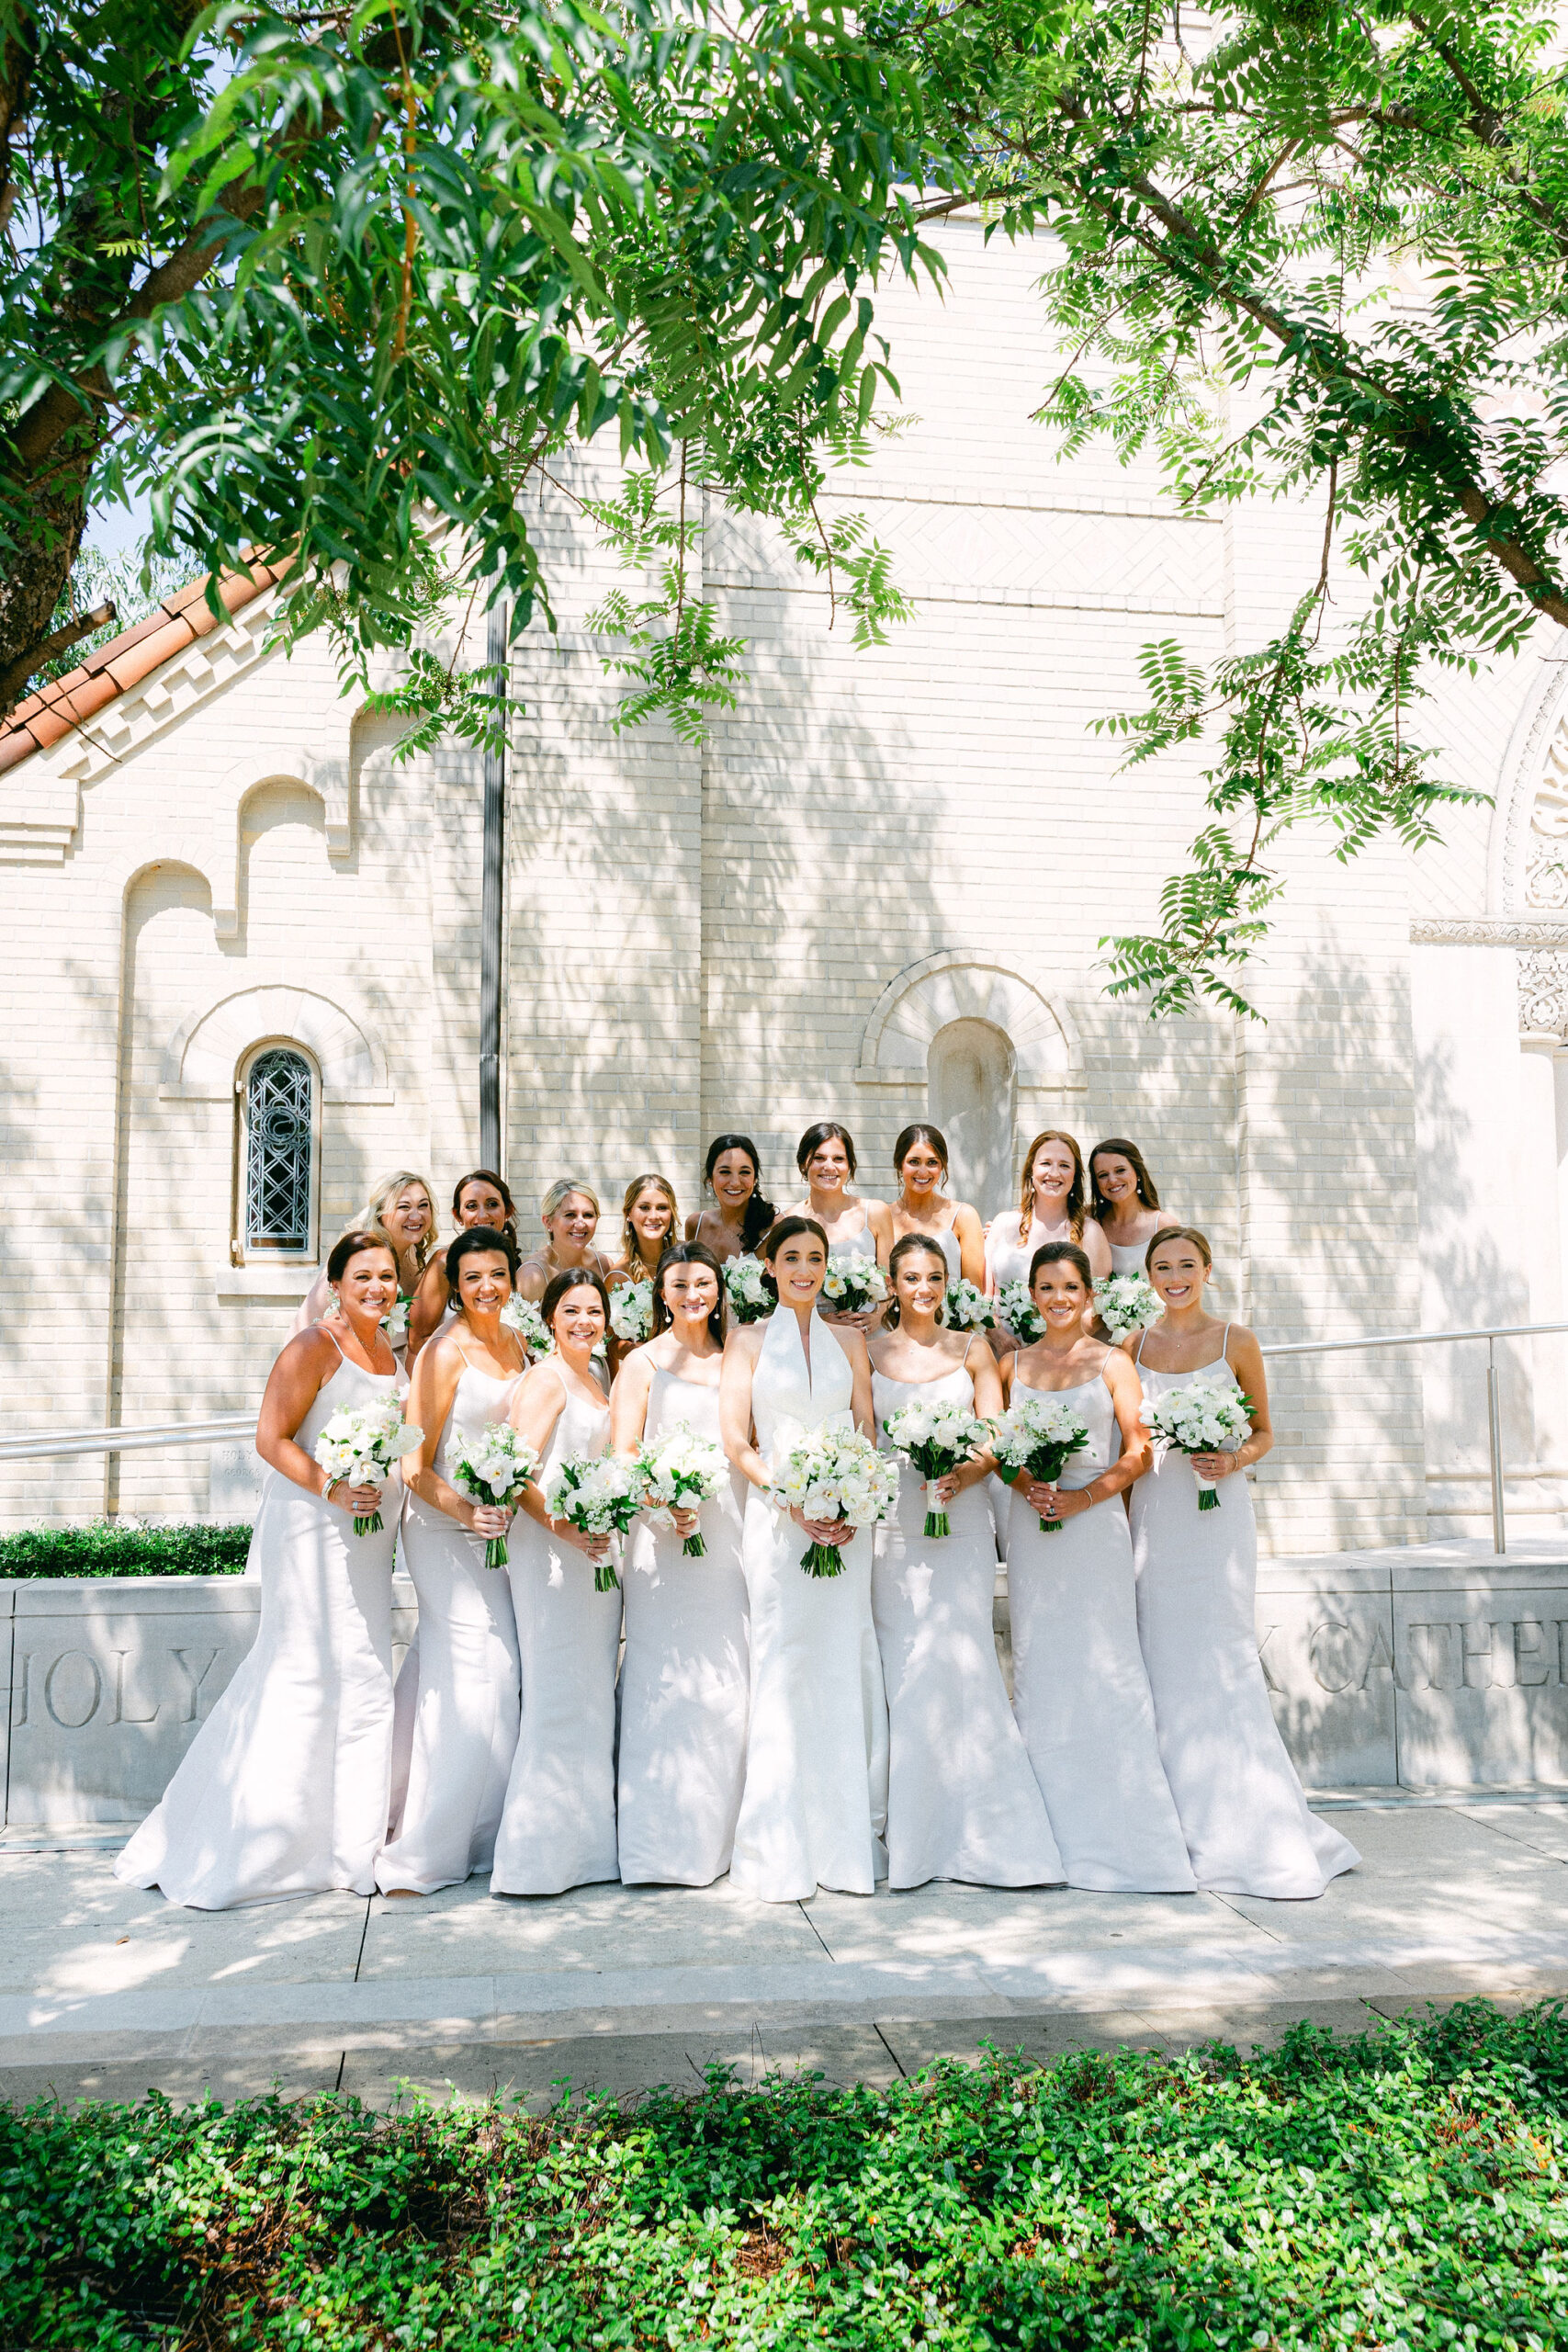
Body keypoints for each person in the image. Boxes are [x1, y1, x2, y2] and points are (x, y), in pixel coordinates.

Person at [116, 1232, 409, 1908]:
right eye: (362, 1275)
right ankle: (252, 1846)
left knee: (362, 1675)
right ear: (334, 1284)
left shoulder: (390, 1354)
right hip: (312, 1531)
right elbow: (269, 1438)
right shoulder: (314, 1345)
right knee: (302, 1673)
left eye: (387, 1276)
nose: (376, 1287)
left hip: (367, 1539)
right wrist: (334, 1487)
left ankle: (346, 1848)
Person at [1128, 1227, 1360, 1897]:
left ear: (1206, 1270)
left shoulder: (1237, 1342)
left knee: (1219, 1656)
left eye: (1185, 1265)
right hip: (1155, 1514)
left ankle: (1251, 1824)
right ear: (1148, 1276)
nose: (1174, 1277)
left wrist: (1230, 1458)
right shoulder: (1133, 1345)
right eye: (1162, 1267)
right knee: (1161, 1657)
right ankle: (1174, 1821)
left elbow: (1264, 1432)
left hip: (1216, 1519)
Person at [999, 1243, 1195, 1894]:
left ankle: (1123, 1827)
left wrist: (1083, 1496)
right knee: (1041, 1660)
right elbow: (995, 1448)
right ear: (1030, 1295)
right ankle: (1045, 1829)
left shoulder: (1113, 1361)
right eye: (1046, 1287)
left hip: (1094, 1525)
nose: (1058, 1297)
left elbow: (1139, 1450)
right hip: (1032, 1525)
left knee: (1103, 1661)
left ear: (1087, 1295)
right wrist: (1027, 1483)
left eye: (1069, 1287)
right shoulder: (1010, 1364)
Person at [868, 1235, 1062, 1890]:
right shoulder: (867, 1352)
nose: (922, 1288)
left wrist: (964, 1468)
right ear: (891, 1283)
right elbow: (863, 1440)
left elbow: (996, 1435)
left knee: (963, 1657)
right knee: (907, 1668)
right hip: (895, 1529)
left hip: (964, 1521)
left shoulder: (972, 1347)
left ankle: (986, 1832)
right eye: (911, 1277)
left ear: (947, 1282)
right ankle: (915, 1836)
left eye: (933, 1277)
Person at [720, 1216, 888, 1899]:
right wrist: (791, 1499)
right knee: (785, 1663)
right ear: (769, 1267)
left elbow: (866, 1428)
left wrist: (852, 1501)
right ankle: (777, 1843)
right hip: (777, 1520)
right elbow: (737, 1440)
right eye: (790, 1257)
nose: (803, 1268)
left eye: (815, 1258)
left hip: (846, 1527)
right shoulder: (745, 1339)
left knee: (840, 1662)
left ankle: (843, 1843)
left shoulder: (850, 1338)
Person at [377, 1227, 527, 1897]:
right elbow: (413, 1465)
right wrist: (469, 1512)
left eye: (497, 1273)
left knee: (456, 1669)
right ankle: (428, 1849)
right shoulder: (441, 1353)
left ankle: (470, 1828)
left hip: (500, 1529)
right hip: (443, 1527)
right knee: (483, 1670)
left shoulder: (519, 1340)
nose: (487, 1287)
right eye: (473, 1278)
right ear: (456, 1287)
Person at [610, 1242, 749, 1885]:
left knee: (726, 1678)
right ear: (659, 1293)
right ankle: (658, 1844)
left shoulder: (737, 1358)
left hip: (727, 1538)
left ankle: (722, 1840)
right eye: (678, 1284)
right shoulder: (640, 1363)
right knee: (663, 1677)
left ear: (718, 1289)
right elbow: (624, 1453)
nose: (692, 1294)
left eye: (703, 1283)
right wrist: (663, 1502)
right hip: (661, 1537)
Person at [491, 1268, 621, 1895]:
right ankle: (536, 1857)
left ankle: (587, 1850)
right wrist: (566, 1529)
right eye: (571, 1310)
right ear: (548, 1318)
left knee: (588, 1691)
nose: (583, 1321)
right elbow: (513, 1474)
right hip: (551, 1553)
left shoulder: (595, 1375)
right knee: (557, 1691)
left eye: (593, 1311)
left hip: (591, 1549)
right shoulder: (545, 1378)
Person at [985, 1131, 1111, 1342]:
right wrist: (999, 1338)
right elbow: (984, 1297)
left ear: (1075, 1175)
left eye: (1064, 1165)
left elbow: (1096, 1309)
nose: (1054, 1173)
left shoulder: (1090, 1232)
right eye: (1045, 1163)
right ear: (1031, 1171)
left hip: (1062, 1354)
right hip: (1001, 1347)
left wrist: (1049, 1348)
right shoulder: (1002, 1224)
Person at [293, 1170, 436, 1342]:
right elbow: (302, 1329)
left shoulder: (413, 1253)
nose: (416, 1216)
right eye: (404, 1207)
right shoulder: (356, 1257)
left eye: (423, 1205)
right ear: (381, 1213)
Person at [788, 1122, 893, 1331]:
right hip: (813, 1333)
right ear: (803, 1164)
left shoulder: (875, 1212)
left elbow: (890, 1282)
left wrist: (876, 1317)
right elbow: (784, 1293)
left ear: (850, 1166)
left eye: (838, 1159)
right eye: (819, 1158)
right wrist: (824, 1321)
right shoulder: (788, 1221)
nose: (829, 1166)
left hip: (869, 1333)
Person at [406, 1170, 518, 1363]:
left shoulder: (513, 1262)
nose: (482, 1214)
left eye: (492, 1204)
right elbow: (417, 1342)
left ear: (507, 1211)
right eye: (472, 1206)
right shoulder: (445, 1262)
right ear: (458, 1215)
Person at [884, 1124, 986, 1288]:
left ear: (942, 1166)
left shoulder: (963, 1216)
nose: (923, 1172)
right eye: (914, 1162)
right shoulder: (882, 1216)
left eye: (932, 1162)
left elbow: (974, 1291)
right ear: (899, 1163)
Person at [514, 1178, 613, 1306]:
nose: (580, 1224)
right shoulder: (532, 1275)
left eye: (588, 1215)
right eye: (570, 1215)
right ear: (548, 1222)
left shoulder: (604, 1265)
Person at [686, 1134, 777, 1265]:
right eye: (725, 1172)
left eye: (744, 1172)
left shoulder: (775, 1228)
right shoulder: (696, 1225)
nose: (735, 1182)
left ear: (755, 1179)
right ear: (710, 1179)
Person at [1089, 1138, 1175, 1274]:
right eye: (1103, 1175)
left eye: (1120, 1170)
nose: (1112, 1180)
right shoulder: (1089, 1219)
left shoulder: (1163, 1224)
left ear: (1138, 1172)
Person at [608, 1172, 680, 1284]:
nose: (653, 1216)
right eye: (644, 1208)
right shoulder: (618, 1277)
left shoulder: (688, 1258)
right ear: (628, 1214)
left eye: (662, 1208)